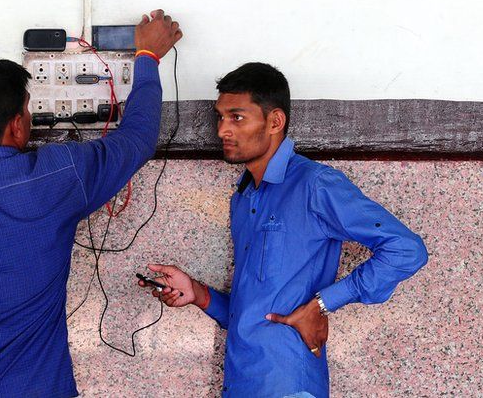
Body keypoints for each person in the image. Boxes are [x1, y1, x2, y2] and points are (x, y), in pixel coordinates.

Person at [0, 10, 182, 397]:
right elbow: (137, 139)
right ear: (16, 125)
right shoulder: (58, 176)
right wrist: (148, 57)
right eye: (26, 108)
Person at [139, 62, 428, 398]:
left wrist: (323, 304)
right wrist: (198, 294)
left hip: (289, 385)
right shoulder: (243, 198)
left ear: (275, 121)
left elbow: (406, 249)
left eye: (237, 117)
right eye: (220, 117)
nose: (222, 131)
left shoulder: (315, 185)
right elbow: (256, 312)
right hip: (240, 384)